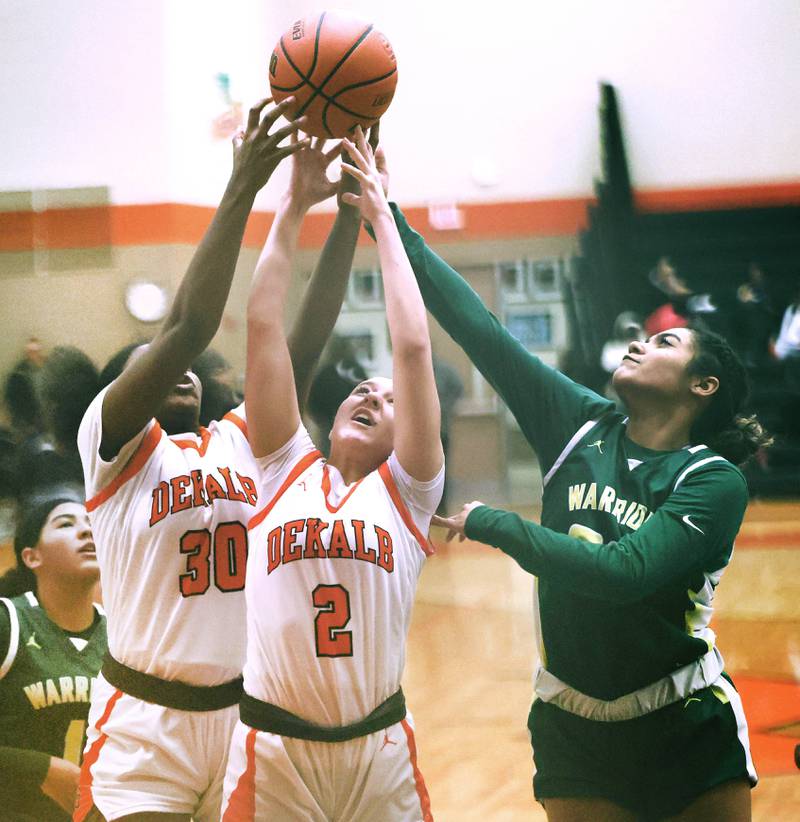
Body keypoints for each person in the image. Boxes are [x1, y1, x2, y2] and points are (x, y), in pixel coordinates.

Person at [380, 200, 772, 820]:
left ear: (704, 386)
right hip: (572, 719)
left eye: (665, 341)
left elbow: (624, 574)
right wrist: (388, 216)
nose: (642, 343)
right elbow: (480, 329)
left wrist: (497, 523)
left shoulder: (712, 480)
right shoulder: (578, 423)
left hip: (685, 717)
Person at [73, 97, 317, 822]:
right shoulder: (113, 444)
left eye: (182, 364)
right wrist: (243, 182)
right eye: (147, 362)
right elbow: (188, 325)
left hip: (246, 716)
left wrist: (323, 215)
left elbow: (296, 355)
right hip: (147, 721)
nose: (173, 366)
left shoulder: (239, 439)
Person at [221, 128, 442, 821]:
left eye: (389, 398)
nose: (373, 396)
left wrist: (380, 214)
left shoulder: (409, 494)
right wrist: (290, 207)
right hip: (273, 751)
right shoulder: (276, 467)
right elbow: (264, 329)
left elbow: (411, 346)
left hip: (378, 753)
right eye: (361, 390)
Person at [0, 490, 106, 822]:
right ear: (32, 557)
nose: (86, 531)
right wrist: (41, 769)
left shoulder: (122, 635)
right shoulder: (9, 621)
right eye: (65, 524)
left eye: (90, 523)